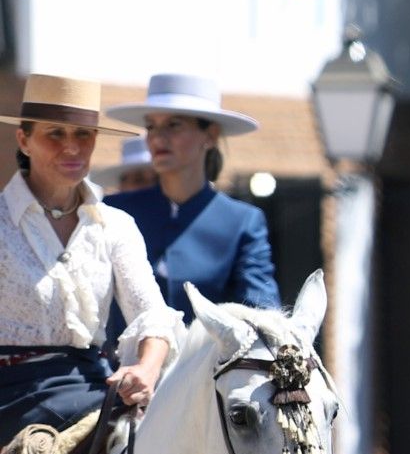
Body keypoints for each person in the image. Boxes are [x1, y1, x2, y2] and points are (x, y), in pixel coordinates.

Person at [0, 75, 178, 447]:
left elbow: (151, 313)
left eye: (83, 134)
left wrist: (146, 369)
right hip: (10, 397)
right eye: (55, 134)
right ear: (24, 141)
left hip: (92, 389)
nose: (71, 147)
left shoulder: (116, 225)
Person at [103, 74, 279, 324]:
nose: (157, 138)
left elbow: (262, 315)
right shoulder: (116, 212)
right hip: (124, 363)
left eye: (174, 125)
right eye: (151, 126)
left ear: (210, 135)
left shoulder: (242, 222)